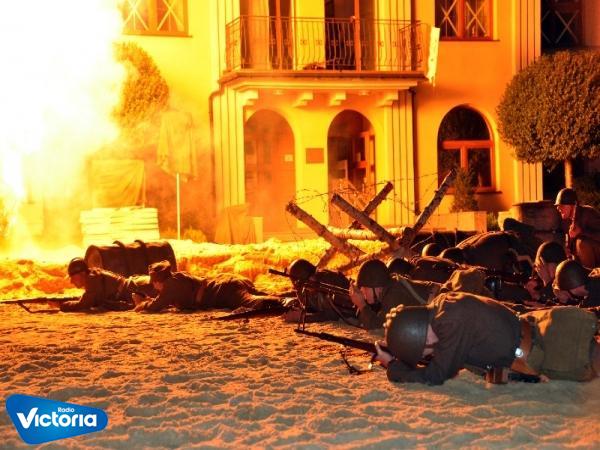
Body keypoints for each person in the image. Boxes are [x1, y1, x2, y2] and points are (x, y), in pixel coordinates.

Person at [374, 292, 599, 385]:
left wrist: (393, 366)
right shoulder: (444, 305)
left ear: (419, 339)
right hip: (537, 337)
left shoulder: (450, 322)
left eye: (422, 352)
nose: (427, 355)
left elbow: (435, 375)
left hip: (555, 349)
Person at [134, 260, 282, 312]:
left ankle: (284, 303)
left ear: (158, 281)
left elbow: (155, 306)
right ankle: (289, 298)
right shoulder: (178, 277)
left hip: (224, 291)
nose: (154, 287)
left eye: (154, 283)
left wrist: (141, 304)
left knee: (252, 302)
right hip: (227, 282)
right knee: (262, 294)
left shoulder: (170, 285)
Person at [349, 259, 440, 330]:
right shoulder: (391, 286)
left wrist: (362, 305)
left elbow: (379, 328)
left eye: (364, 288)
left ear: (377, 286)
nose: (362, 292)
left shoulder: (394, 293)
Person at [55, 257, 156, 312]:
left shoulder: (92, 279)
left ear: (82, 274)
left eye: (73, 277)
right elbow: (86, 298)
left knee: (161, 295)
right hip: (134, 287)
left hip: (138, 288)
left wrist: (61, 305)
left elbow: (84, 304)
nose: (71, 281)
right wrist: (61, 300)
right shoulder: (92, 276)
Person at [282, 259, 356, 324]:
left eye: (296, 283)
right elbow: (309, 306)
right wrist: (298, 292)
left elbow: (331, 315)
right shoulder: (313, 284)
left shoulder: (324, 281)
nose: (295, 286)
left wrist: (301, 318)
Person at [554, 187, 600, 268]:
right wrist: (568, 249)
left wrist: (581, 231)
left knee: (581, 243)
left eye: (562, 205)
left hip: (596, 256)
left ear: (573, 205)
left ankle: (590, 274)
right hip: (581, 258)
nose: (558, 208)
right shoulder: (566, 221)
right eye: (558, 206)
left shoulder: (588, 213)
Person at [524, 241, 567, 306]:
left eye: (546, 267)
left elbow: (558, 306)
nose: (542, 271)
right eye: (540, 267)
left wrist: (546, 280)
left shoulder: (569, 286)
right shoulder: (537, 282)